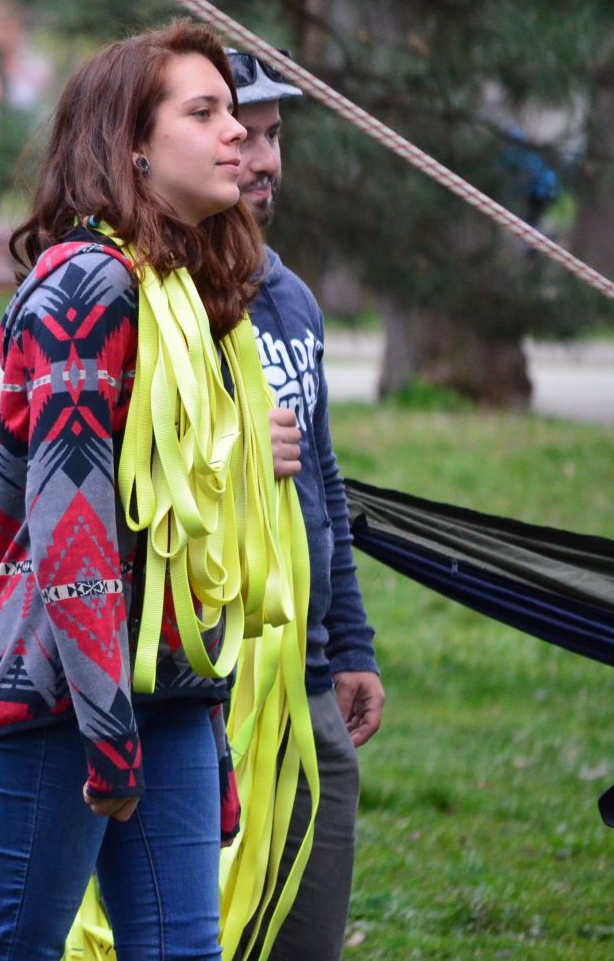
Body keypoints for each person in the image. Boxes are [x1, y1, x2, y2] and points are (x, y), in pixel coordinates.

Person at [0, 20, 268, 961]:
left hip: (165, 686)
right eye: (205, 112)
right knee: (13, 949)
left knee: (181, 953)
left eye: (238, 115)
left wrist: (204, 718)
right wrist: (107, 735)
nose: (239, 136)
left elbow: (176, 536)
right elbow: (72, 525)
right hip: (68, 688)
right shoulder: (87, 288)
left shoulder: (185, 289)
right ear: (130, 141)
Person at [229, 47, 385, 961]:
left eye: (273, 135)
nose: (263, 159)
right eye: (240, 134)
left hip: (310, 682)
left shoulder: (290, 299)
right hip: (206, 691)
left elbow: (323, 482)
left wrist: (352, 646)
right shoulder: (154, 298)